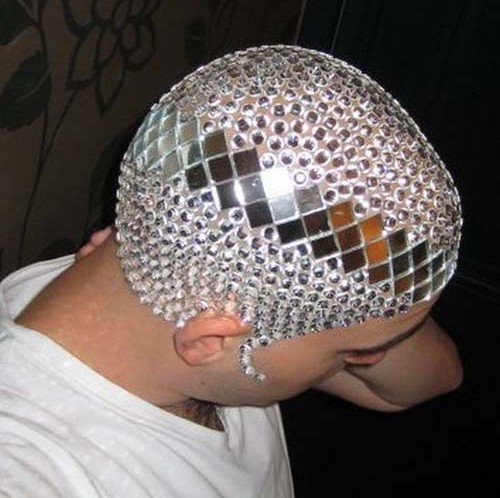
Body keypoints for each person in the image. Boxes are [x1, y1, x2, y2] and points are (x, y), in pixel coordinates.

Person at [0, 46, 463, 497]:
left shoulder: (198, 269)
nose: (370, 358)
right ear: (210, 340)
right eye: (352, 351)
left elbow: (431, 380)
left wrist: (375, 311)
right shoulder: (34, 468)